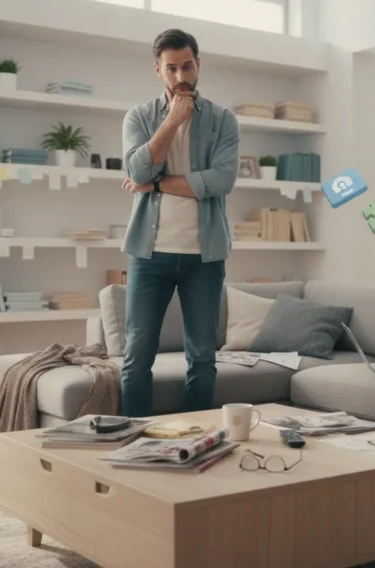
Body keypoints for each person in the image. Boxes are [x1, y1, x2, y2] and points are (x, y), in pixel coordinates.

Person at [118, 29, 240, 417]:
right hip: (148, 255)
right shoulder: (139, 116)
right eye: (171, 68)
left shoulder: (223, 120)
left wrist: (154, 183)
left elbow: (222, 181)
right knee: (137, 354)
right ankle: (132, 441)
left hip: (204, 257)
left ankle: (197, 438)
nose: (180, 75)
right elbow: (135, 166)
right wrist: (170, 123)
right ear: (158, 70)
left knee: (202, 356)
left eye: (187, 66)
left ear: (198, 64)